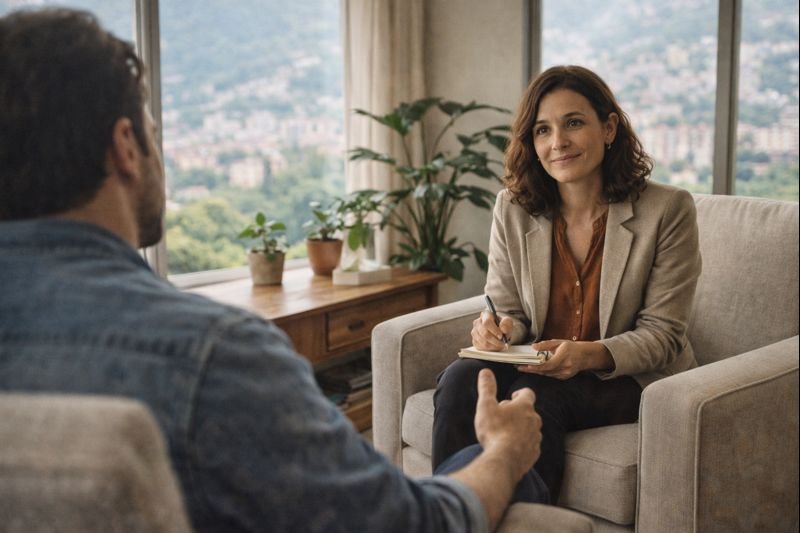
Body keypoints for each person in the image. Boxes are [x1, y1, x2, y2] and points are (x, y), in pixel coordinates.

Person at [0, 8, 544, 532]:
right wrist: (505, 452)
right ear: (125, 149)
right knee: (504, 472)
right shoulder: (214, 355)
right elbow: (411, 524)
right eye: (153, 134)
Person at [432, 65, 702, 501]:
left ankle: (532, 523)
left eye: (573, 123)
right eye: (542, 130)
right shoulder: (513, 207)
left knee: (536, 393)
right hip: (541, 360)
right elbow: (509, 309)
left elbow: (664, 336)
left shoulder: (668, 210)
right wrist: (500, 330)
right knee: (463, 376)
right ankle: (447, 513)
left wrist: (587, 355)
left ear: (609, 127)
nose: (557, 142)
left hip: (630, 377)